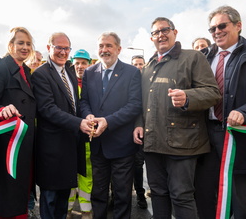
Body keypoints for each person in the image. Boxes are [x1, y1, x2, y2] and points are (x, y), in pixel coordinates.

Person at [194, 5, 246, 219]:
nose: (216, 32)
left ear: (238, 25)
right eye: (212, 29)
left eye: (222, 26)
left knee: (243, 203)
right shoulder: (202, 58)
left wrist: (245, 112)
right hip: (205, 138)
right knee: (205, 197)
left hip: (238, 137)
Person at [133, 17, 221, 219]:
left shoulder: (193, 58)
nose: (161, 35)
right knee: (157, 194)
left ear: (175, 32)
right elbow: (141, 103)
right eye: (156, 32)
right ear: (151, 37)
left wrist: (188, 97)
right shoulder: (148, 67)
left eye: (165, 30)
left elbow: (213, 93)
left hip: (183, 143)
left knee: (181, 196)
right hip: (152, 143)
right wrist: (138, 124)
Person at [80, 32, 142, 219]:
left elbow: (134, 105)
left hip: (122, 145)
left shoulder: (131, 72)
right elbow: (84, 102)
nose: (104, 50)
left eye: (108, 46)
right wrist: (88, 114)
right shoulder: (89, 72)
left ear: (118, 49)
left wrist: (108, 121)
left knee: (122, 195)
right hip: (97, 144)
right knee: (98, 194)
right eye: (101, 46)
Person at [31, 32, 92, 219]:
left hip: (70, 145)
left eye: (67, 48)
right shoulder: (41, 75)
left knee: (64, 197)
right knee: (50, 198)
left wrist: (87, 117)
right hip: (51, 147)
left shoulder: (70, 72)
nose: (63, 52)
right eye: (59, 47)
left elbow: (76, 103)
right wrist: (79, 123)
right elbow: (48, 109)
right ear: (49, 48)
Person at [0, 27, 36, 218]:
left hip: (26, 142)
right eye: (20, 43)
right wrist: (1, 110)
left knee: (22, 192)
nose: (25, 47)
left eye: (28, 43)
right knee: (7, 197)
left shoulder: (27, 71)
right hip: (8, 143)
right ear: (10, 44)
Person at [67, 49, 93, 219]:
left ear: (89, 64)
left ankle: (86, 211)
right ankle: (67, 210)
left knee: (86, 174)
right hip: (68, 136)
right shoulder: (66, 82)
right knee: (69, 174)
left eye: (84, 63)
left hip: (87, 137)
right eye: (77, 63)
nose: (80, 66)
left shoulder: (93, 84)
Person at [130, 54, 148, 209]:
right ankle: (140, 194)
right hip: (135, 129)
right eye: (135, 64)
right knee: (137, 164)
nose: (138, 67)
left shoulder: (149, 80)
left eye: (141, 64)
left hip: (152, 130)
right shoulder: (129, 81)